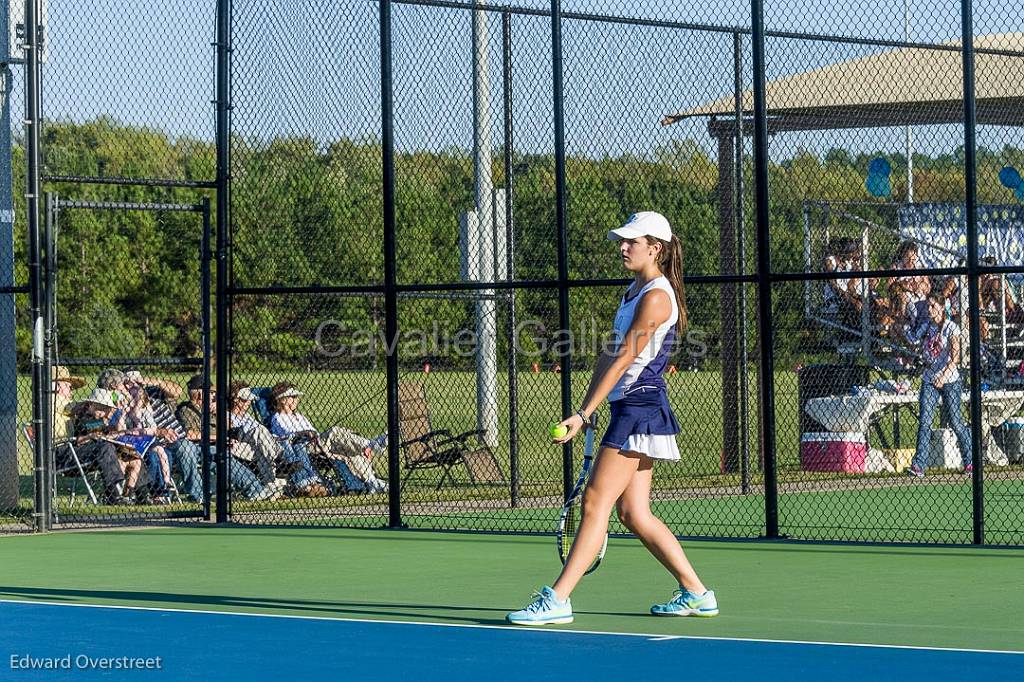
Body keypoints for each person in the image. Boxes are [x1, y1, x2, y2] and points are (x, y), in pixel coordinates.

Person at [506, 211, 717, 626]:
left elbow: (626, 359)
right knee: (634, 514)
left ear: (654, 248)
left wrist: (586, 415)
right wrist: (583, 410)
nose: (623, 247)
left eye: (632, 241)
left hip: (640, 407)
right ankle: (697, 592)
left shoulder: (657, 296)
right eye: (622, 240)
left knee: (595, 502)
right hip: (630, 406)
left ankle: (558, 599)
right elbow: (609, 352)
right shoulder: (632, 292)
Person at [268, 382, 388, 494]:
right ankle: (372, 444)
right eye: (293, 397)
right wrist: (306, 432)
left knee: (349, 452)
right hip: (304, 445)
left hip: (318, 444)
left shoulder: (299, 416)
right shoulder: (278, 418)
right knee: (334, 431)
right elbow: (290, 437)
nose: (297, 399)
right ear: (282, 400)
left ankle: (372, 482)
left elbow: (314, 431)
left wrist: (311, 433)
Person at [175, 375, 281, 502]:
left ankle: (256, 490)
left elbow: (229, 426)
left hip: (216, 445)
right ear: (200, 394)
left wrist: (218, 412)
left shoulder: (210, 410)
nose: (214, 396)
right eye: (211, 393)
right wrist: (219, 438)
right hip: (197, 447)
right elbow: (191, 435)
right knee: (222, 456)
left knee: (226, 458)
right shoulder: (186, 409)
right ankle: (260, 485)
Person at [907, 293, 973, 477]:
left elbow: (955, 356)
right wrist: (905, 323)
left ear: (942, 308)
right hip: (929, 378)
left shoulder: (951, 328)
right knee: (925, 421)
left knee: (956, 421)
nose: (929, 310)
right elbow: (912, 339)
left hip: (949, 379)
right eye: (928, 306)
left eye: (933, 306)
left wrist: (943, 376)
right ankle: (919, 464)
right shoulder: (927, 327)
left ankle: (970, 461)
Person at [227, 380, 320, 496]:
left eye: (249, 399)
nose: (248, 402)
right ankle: (281, 461)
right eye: (244, 400)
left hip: (262, 443)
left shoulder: (248, 416)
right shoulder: (227, 415)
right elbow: (231, 432)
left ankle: (301, 485)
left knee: (281, 441)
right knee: (261, 431)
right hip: (243, 442)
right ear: (235, 399)